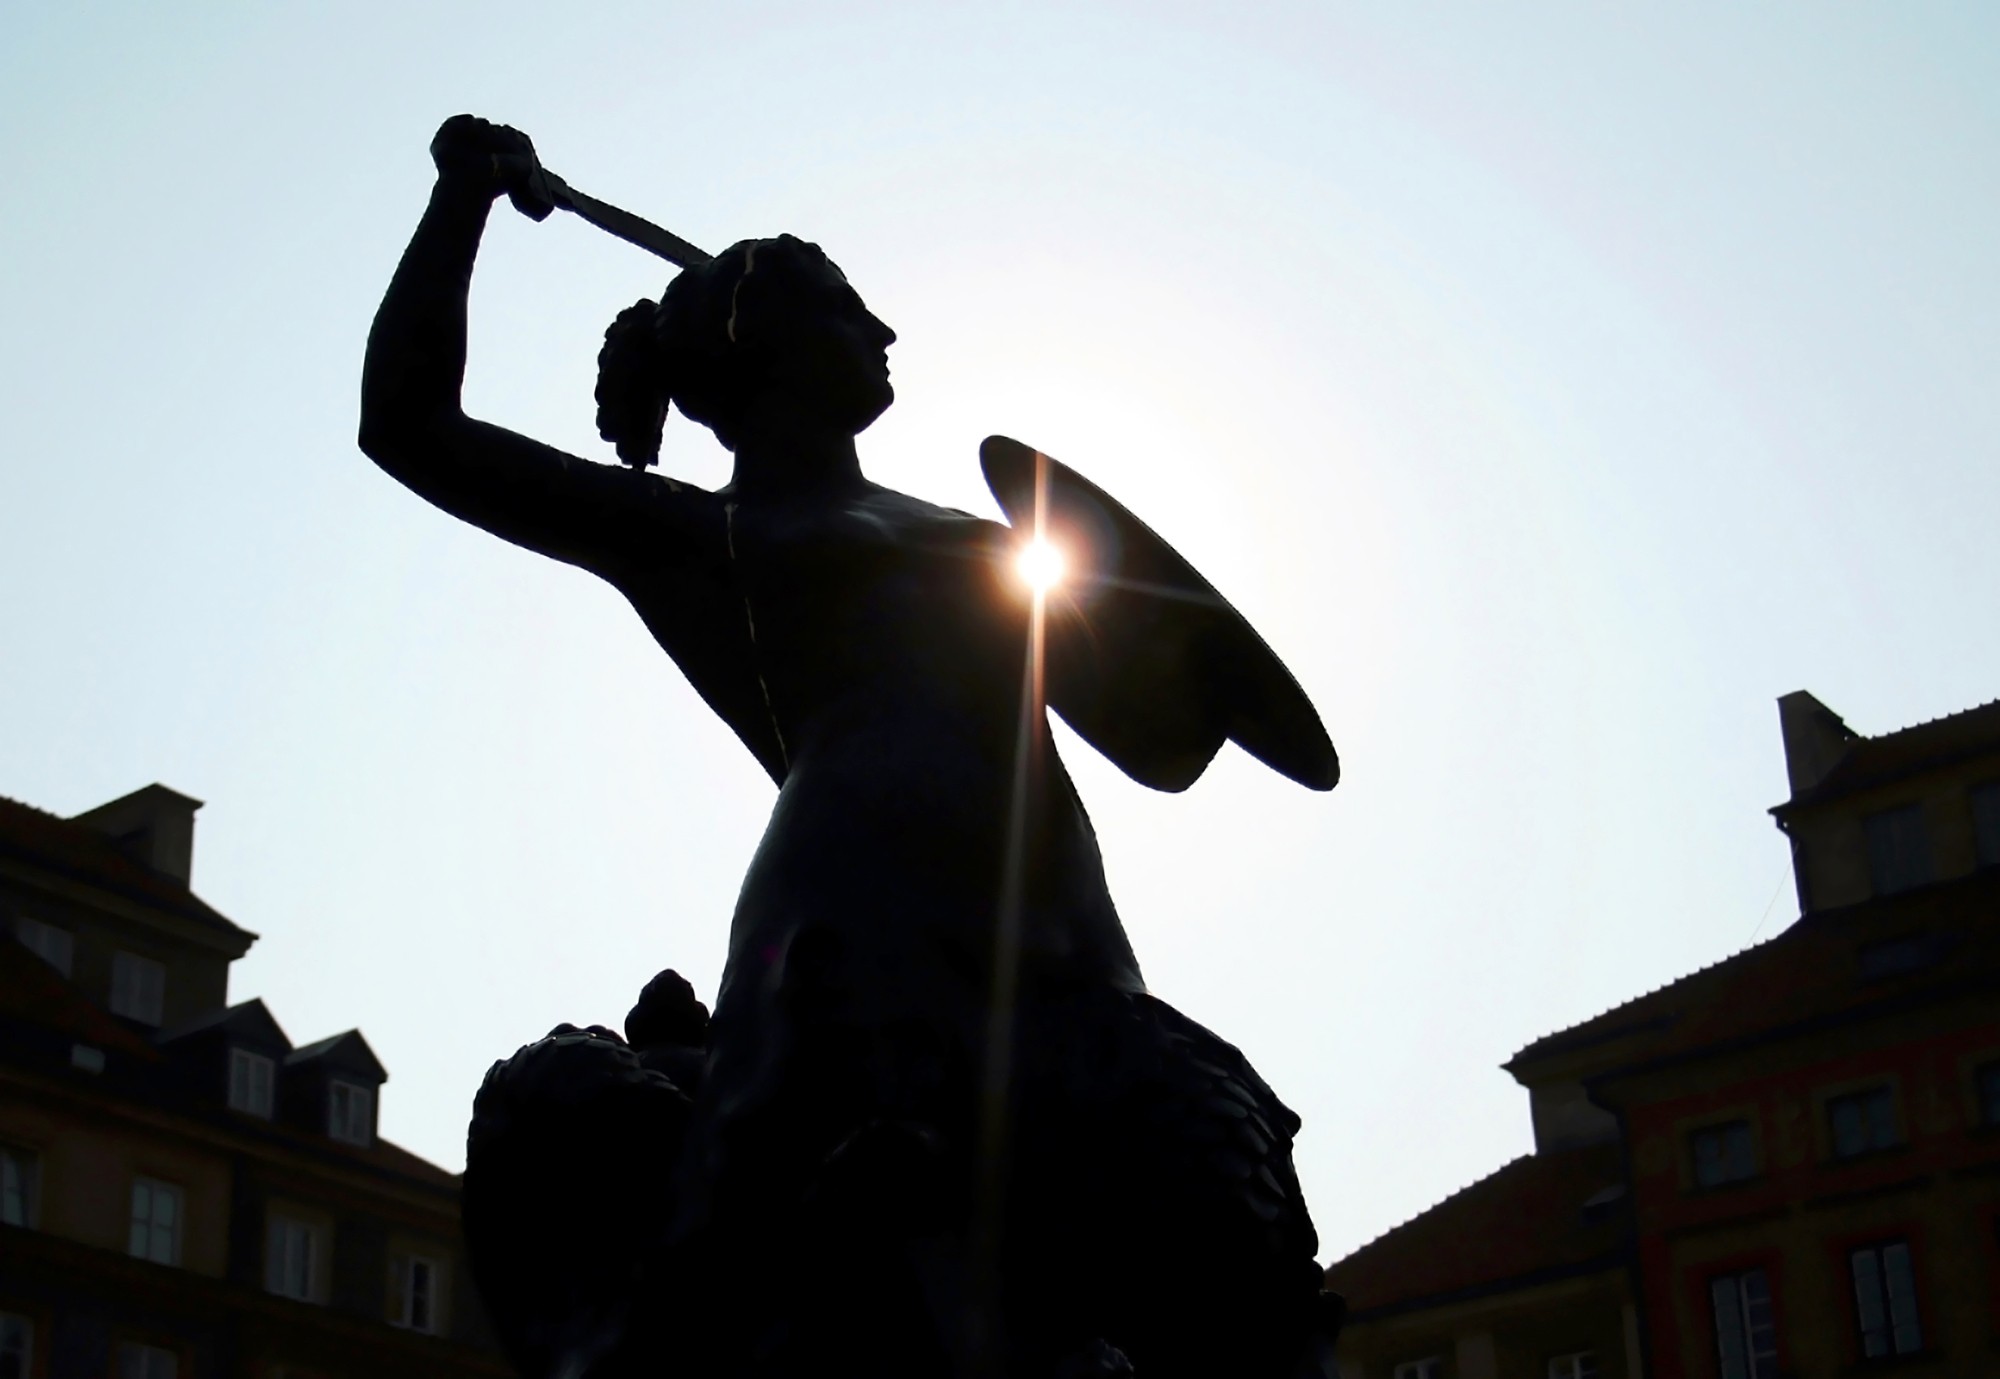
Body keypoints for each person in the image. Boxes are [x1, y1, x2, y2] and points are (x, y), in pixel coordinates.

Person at [362, 115, 1336, 1379]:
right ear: (763, 349)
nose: (881, 336)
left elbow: (1163, 738)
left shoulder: (977, 532)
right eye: (845, 310)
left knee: (1221, 1242)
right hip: (854, 950)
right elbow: (412, 427)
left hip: (1065, 948)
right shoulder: (701, 536)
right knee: (876, 1293)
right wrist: (461, 203)